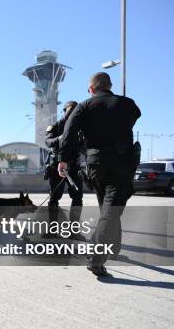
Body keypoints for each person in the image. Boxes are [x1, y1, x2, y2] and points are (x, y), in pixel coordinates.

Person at [58, 72, 141, 277]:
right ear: (109, 86)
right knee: (111, 211)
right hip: (121, 164)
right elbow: (135, 116)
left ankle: (112, 248)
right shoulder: (127, 104)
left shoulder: (84, 106)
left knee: (109, 209)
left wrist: (63, 160)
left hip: (96, 165)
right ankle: (96, 258)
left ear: (92, 88)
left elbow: (68, 134)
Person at [44, 100, 84, 239]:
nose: (72, 112)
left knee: (78, 197)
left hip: (73, 167)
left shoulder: (80, 126)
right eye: (70, 110)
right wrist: (63, 137)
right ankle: (53, 230)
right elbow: (48, 141)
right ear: (64, 111)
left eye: (75, 110)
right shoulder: (55, 126)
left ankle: (73, 231)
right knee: (54, 198)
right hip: (57, 167)